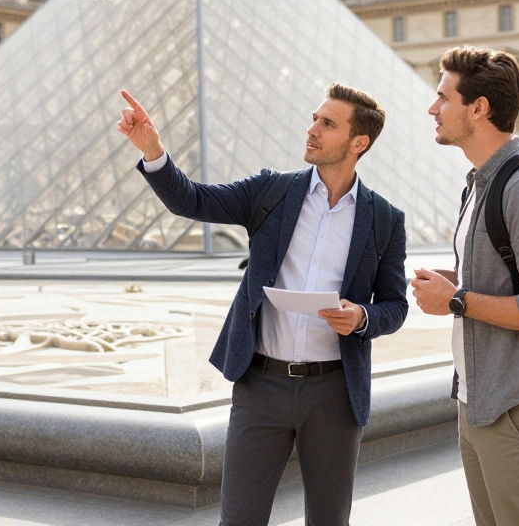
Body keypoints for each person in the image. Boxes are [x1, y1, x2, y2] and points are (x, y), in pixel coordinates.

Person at [117, 83, 408, 526]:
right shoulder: (271, 192)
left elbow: (395, 305)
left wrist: (362, 317)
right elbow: (191, 199)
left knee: (330, 521)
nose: (311, 129)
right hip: (261, 388)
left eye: (327, 124)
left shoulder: (385, 218)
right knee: (239, 520)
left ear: (358, 143)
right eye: (314, 117)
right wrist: (153, 151)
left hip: (334, 393)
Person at [411, 45, 519, 526]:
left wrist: (457, 300)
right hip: (480, 401)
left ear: (478, 108)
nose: (432, 108)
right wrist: (456, 283)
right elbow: (508, 279)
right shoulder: (479, 183)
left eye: (443, 97)